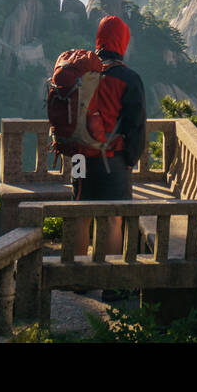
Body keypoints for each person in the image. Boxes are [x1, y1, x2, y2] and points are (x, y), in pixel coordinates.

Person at [70, 14, 146, 270]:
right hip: (112, 159)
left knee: (81, 216)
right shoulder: (129, 79)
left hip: (79, 157)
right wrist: (130, 159)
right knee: (113, 219)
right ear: (122, 42)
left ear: (99, 39)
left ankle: (78, 279)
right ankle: (111, 285)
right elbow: (136, 126)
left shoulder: (80, 71)